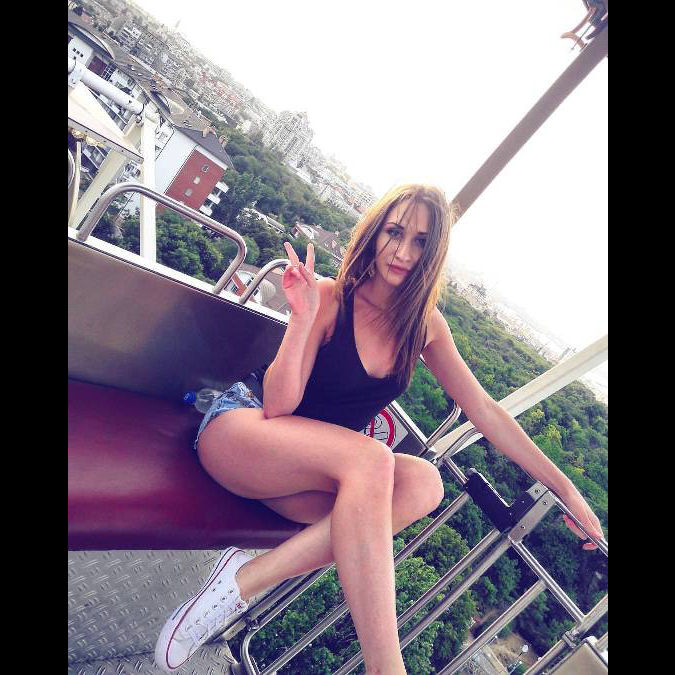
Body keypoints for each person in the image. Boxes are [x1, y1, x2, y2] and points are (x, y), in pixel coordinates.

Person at [155, 184, 604, 673]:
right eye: (395, 233)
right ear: (375, 233)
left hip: (301, 483)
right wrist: (303, 319)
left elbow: (484, 410)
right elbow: (279, 407)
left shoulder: (424, 327)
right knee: (374, 459)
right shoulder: (331, 296)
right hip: (243, 433)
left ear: (434, 255)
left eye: (420, 242)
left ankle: (244, 579)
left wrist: (565, 489)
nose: (403, 252)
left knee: (425, 483)